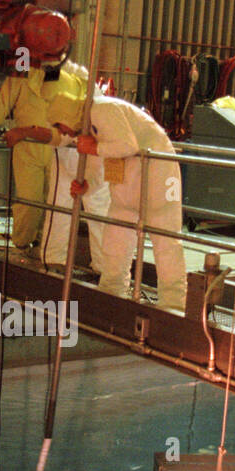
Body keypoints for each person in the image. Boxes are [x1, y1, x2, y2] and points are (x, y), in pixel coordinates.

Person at [72, 92, 187, 311]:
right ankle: (111, 293)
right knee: (116, 240)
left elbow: (127, 145)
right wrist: (88, 185)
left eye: (61, 127)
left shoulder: (102, 109)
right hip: (127, 183)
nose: (63, 133)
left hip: (160, 175)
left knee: (166, 243)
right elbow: (100, 161)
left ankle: (174, 305)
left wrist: (93, 148)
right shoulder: (91, 123)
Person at [0, 61, 86, 257]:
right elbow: (4, 99)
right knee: (29, 201)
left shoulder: (75, 76)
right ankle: (23, 246)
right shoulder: (23, 68)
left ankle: (48, 250)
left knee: (57, 206)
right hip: (27, 147)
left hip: (59, 149)